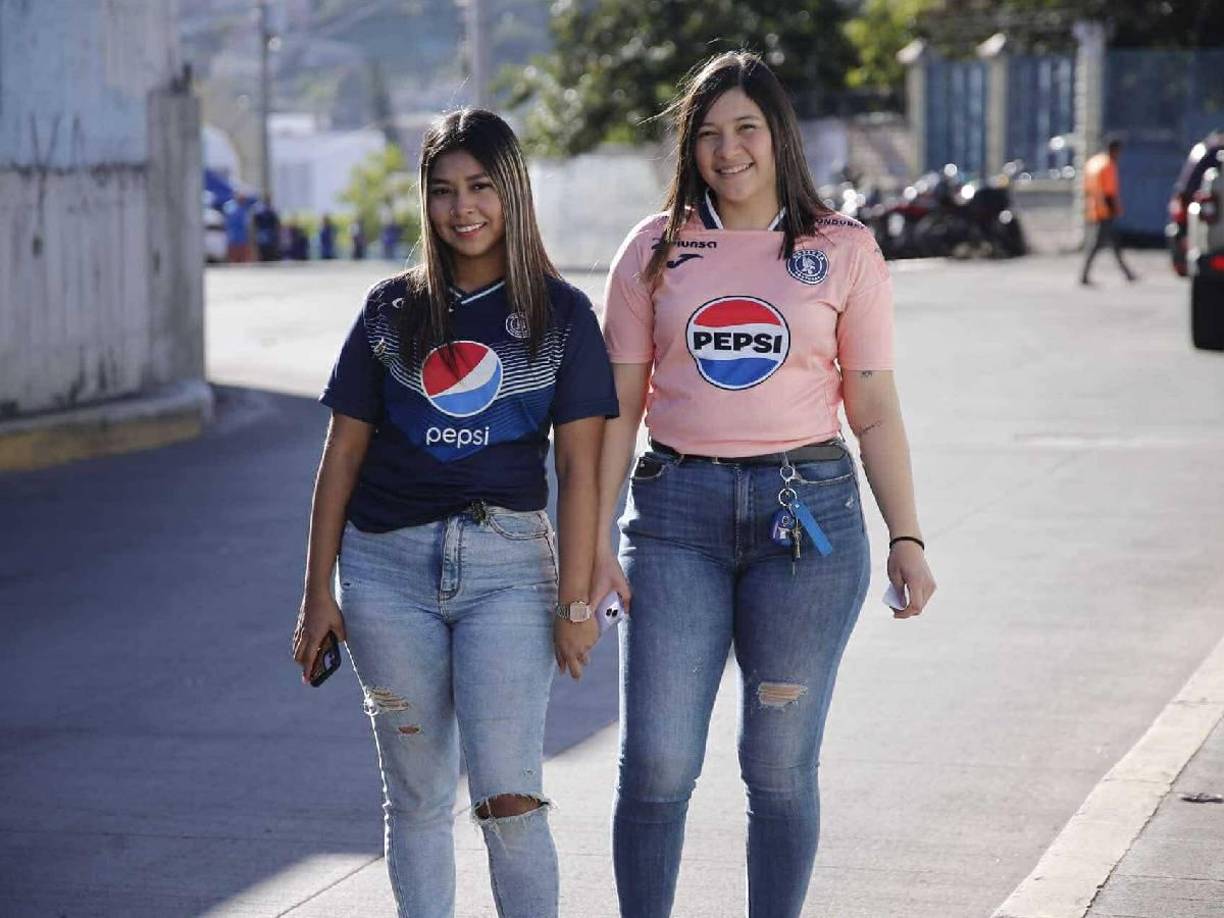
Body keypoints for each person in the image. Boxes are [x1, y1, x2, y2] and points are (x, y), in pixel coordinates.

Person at [592, 52, 937, 918]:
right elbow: (616, 411)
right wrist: (592, 544)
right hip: (673, 519)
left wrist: (907, 536)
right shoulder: (653, 248)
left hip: (807, 524)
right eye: (707, 134)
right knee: (660, 762)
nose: (728, 149)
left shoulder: (843, 249)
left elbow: (874, 407)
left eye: (745, 127)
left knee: (778, 768)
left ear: (777, 134)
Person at [291, 109, 618, 918]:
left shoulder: (562, 315)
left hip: (509, 572)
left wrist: (576, 600)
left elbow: (580, 469)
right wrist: (317, 592)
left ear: (512, 192)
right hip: (383, 575)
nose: (461, 207)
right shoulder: (389, 311)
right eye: (442, 191)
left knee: (509, 795)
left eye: (479, 186)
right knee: (418, 797)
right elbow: (342, 456)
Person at [1080, 138, 1137, 285]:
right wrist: (1113, 210)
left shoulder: (1095, 162)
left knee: (1113, 244)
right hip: (1105, 211)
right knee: (1098, 244)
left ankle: (1127, 273)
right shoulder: (1108, 166)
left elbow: (1088, 188)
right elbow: (1108, 192)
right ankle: (1084, 275)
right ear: (1114, 150)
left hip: (1095, 208)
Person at [222, 193, 255, 263]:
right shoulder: (231, 208)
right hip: (234, 237)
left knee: (242, 256)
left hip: (241, 237)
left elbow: (247, 225)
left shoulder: (244, 209)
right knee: (234, 256)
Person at [253, 197, 281, 261]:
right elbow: (255, 225)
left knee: (271, 256)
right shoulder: (258, 211)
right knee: (263, 257)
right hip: (263, 238)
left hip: (270, 238)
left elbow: (277, 225)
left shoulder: (272, 211)